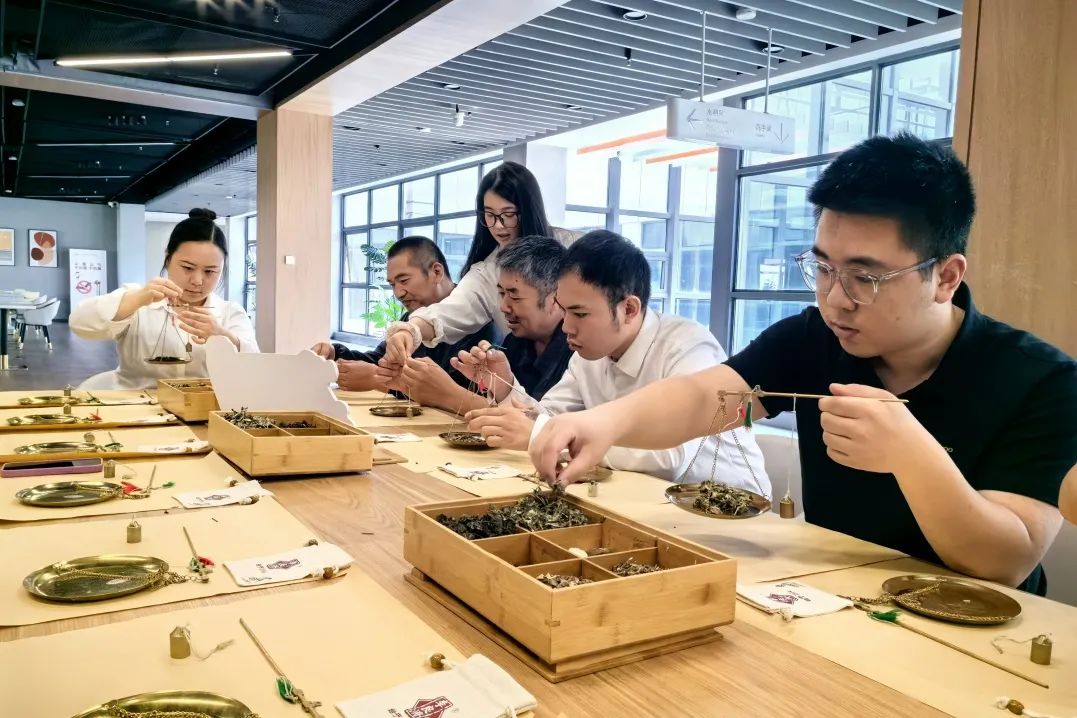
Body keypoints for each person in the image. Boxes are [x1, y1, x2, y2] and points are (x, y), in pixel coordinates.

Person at [530, 134, 1077, 593]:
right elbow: (708, 399)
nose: (835, 299)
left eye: (865, 277)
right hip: (832, 599)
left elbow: (1005, 562)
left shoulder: (1039, 379)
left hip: (979, 636)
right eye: (822, 268)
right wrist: (604, 422)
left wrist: (911, 454)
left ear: (946, 277)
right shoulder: (812, 340)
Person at [463, 230, 770, 495]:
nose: (567, 326)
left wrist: (539, 435)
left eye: (580, 313)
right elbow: (551, 417)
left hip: (721, 510)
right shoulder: (589, 354)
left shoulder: (688, 346)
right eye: (564, 310)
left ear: (629, 309)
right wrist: (505, 388)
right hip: (640, 499)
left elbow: (670, 457)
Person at [375, 162, 555, 378]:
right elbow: (451, 310)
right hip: (523, 373)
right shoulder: (486, 271)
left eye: (508, 214)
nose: (498, 225)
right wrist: (411, 330)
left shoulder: (567, 249)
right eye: (490, 215)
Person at [71, 208, 258, 389]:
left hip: (201, 405)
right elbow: (79, 323)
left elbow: (254, 366)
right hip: (134, 402)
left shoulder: (229, 313)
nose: (197, 281)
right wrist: (135, 300)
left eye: (210, 271)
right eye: (188, 268)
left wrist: (222, 335)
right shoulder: (138, 299)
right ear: (168, 259)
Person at [405, 234, 573, 413]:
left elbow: (544, 421)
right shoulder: (514, 343)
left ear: (556, 296)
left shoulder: (579, 350)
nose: (503, 307)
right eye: (501, 294)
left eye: (514, 296)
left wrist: (448, 395)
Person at [310, 236, 495, 392]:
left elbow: (453, 394)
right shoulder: (412, 318)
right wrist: (335, 354)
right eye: (393, 285)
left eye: (404, 280)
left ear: (436, 272)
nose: (398, 293)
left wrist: (379, 380)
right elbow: (381, 360)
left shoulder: (473, 318)